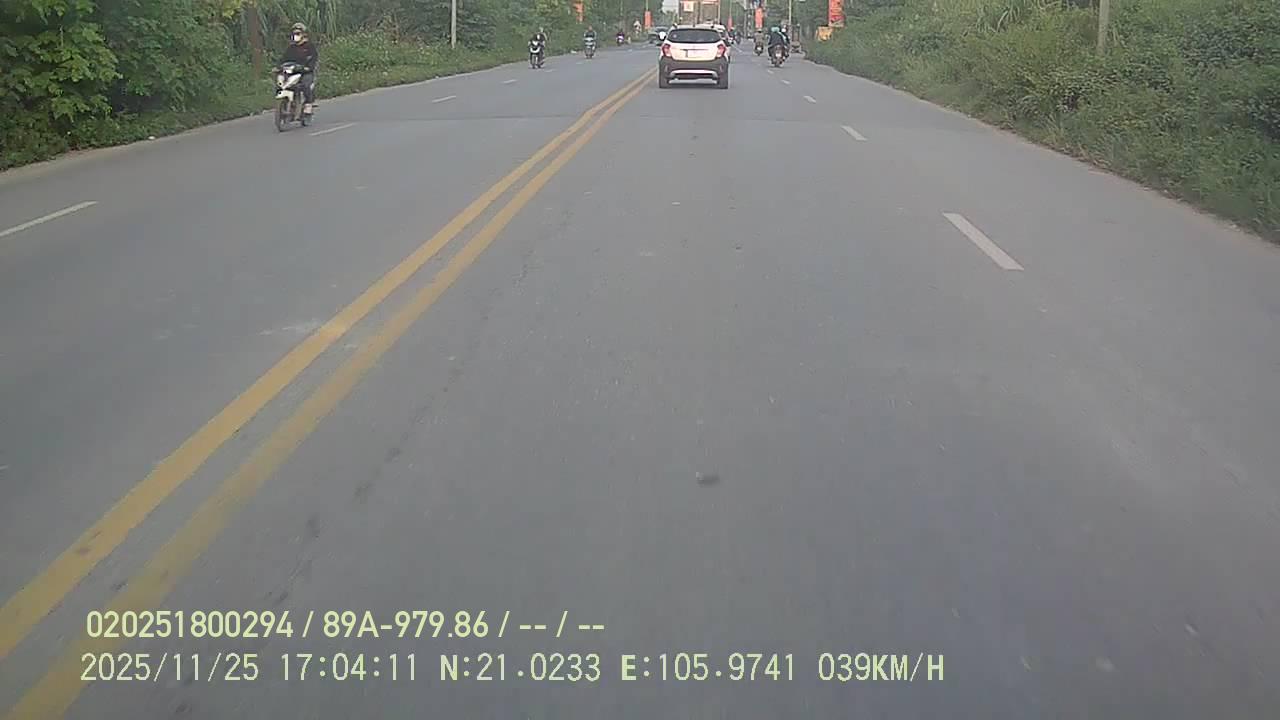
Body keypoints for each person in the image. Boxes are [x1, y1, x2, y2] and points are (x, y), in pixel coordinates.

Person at [279, 22, 318, 113]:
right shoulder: (291, 48)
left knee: (305, 85)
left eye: (298, 33)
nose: (295, 36)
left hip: (305, 72)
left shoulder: (309, 46)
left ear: (303, 34)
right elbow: (283, 59)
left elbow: (313, 58)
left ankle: (308, 103)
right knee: (281, 83)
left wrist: (308, 67)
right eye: (294, 34)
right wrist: (278, 67)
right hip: (292, 71)